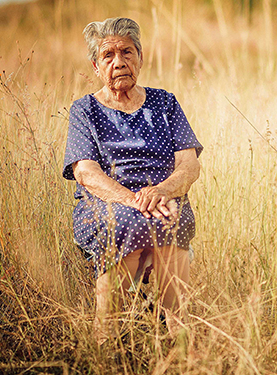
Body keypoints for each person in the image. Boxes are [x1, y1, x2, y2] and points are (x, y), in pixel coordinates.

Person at [62, 17, 202, 342]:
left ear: (140, 56)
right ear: (96, 66)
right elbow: (85, 171)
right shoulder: (84, 110)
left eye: (127, 52)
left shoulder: (164, 103)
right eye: (108, 55)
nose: (119, 61)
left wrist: (161, 191)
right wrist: (134, 199)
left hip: (162, 202)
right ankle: (107, 333)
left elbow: (189, 165)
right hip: (107, 205)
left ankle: (179, 334)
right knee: (128, 221)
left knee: (172, 218)